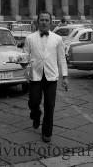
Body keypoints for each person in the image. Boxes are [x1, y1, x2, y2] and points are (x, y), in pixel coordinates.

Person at [23, 11, 68, 143]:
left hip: (51, 77)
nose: (44, 22)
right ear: (38, 22)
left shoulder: (58, 39)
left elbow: (62, 58)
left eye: (46, 20)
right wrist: (23, 65)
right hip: (35, 75)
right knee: (34, 102)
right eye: (41, 19)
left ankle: (47, 132)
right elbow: (25, 56)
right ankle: (36, 115)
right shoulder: (30, 38)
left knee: (50, 105)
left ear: (51, 22)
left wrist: (65, 77)